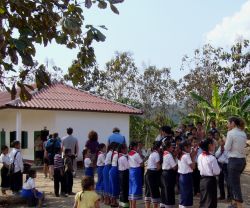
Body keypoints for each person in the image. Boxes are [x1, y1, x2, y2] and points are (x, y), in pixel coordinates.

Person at [225, 117, 247, 208]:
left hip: (234, 161)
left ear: (233, 123)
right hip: (242, 161)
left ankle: (239, 205)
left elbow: (226, 148)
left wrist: (224, 141)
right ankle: (234, 204)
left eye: (228, 123)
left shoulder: (230, 133)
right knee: (233, 182)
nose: (227, 125)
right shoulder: (243, 133)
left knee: (235, 184)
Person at [198, 138, 220, 208]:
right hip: (210, 181)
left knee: (204, 200)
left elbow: (199, 168)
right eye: (214, 144)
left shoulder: (200, 156)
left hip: (202, 180)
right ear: (210, 145)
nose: (215, 146)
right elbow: (217, 171)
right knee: (210, 202)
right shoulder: (212, 158)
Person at [177, 140, 196, 208]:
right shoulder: (186, 155)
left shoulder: (181, 154)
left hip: (181, 176)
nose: (191, 148)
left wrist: (191, 155)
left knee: (183, 194)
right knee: (188, 194)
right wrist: (193, 157)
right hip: (186, 176)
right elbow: (193, 167)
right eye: (189, 147)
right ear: (185, 147)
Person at [145, 141, 161, 208]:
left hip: (148, 173)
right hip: (152, 174)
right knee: (154, 192)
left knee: (148, 192)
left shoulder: (152, 153)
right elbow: (158, 167)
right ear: (159, 147)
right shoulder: (156, 154)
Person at [161, 141, 177, 208]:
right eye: (171, 146)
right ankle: (168, 205)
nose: (172, 148)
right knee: (169, 191)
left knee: (165, 190)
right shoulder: (168, 155)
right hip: (168, 174)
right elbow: (174, 167)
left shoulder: (165, 153)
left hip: (164, 173)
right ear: (168, 147)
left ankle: (164, 204)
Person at [128, 141, 143, 208]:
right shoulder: (136, 154)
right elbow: (141, 163)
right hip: (136, 171)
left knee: (131, 188)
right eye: (137, 146)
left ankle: (131, 205)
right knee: (135, 188)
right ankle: (134, 206)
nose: (138, 148)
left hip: (130, 170)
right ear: (134, 147)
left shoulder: (128, 153)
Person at [118, 144, 129, 208]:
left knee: (122, 189)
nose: (127, 150)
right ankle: (125, 205)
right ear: (122, 149)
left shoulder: (120, 156)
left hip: (121, 173)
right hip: (124, 173)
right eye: (126, 148)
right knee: (125, 190)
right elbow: (128, 167)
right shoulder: (123, 158)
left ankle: (121, 204)